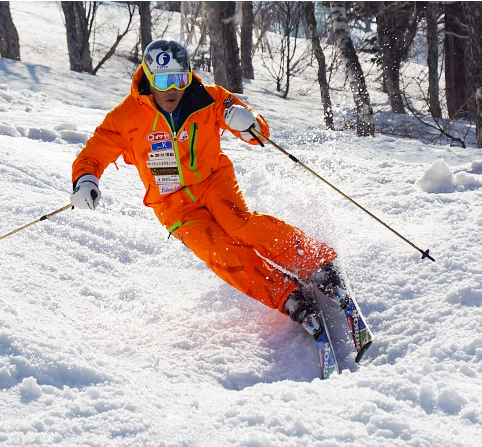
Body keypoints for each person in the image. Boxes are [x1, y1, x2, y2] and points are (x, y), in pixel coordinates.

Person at [68, 39, 344, 341]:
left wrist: (246, 123)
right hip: (172, 203)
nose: (172, 88)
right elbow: (92, 155)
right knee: (218, 251)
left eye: (179, 78)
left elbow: (258, 134)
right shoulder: (126, 116)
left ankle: (316, 264)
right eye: (162, 80)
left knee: (239, 226)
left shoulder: (208, 98)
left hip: (213, 180)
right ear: (148, 78)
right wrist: (86, 180)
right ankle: (288, 298)